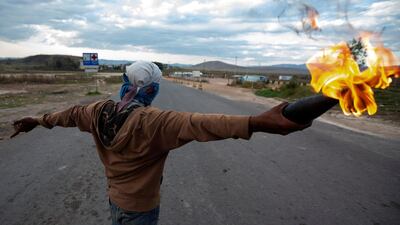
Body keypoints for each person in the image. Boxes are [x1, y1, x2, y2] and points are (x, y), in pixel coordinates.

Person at [11, 61, 311, 225]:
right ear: (153, 90)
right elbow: (202, 123)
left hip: (115, 199)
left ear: (125, 84)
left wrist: (37, 120)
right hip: (141, 210)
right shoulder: (156, 122)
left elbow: (68, 115)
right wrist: (258, 122)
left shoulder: (97, 111)